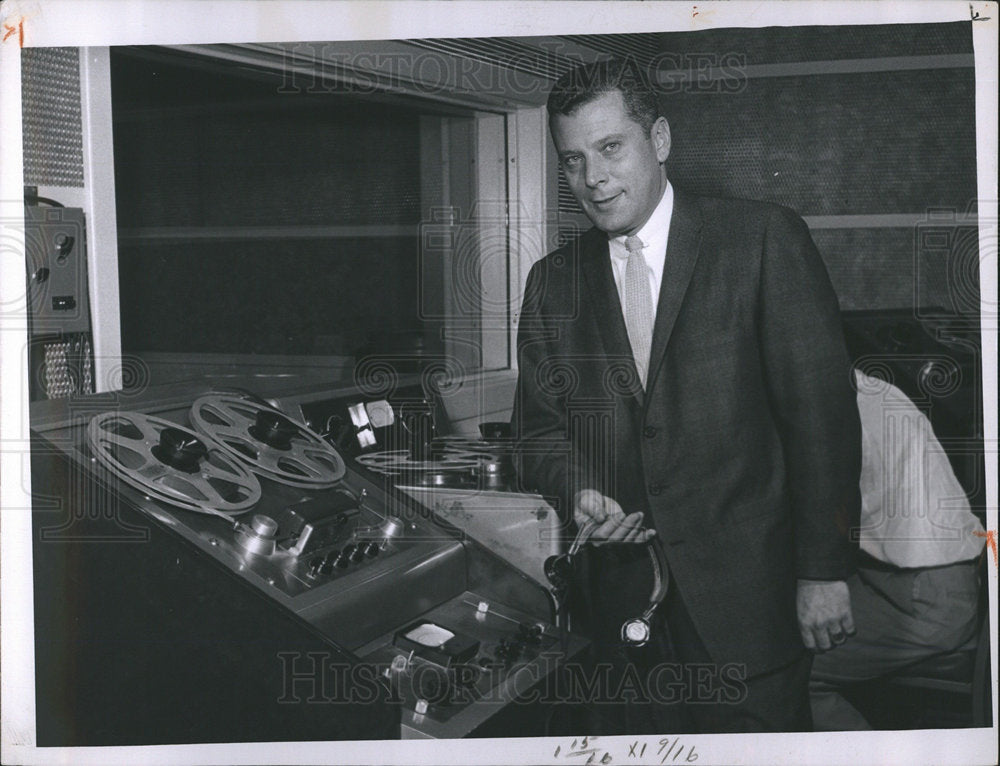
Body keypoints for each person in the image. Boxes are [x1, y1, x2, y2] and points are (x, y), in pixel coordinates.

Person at [511, 58, 862, 733]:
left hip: (749, 612)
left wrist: (823, 572)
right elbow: (538, 433)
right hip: (616, 616)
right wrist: (580, 488)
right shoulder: (551, 283)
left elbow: (822, 421)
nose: (594, 177)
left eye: (611, 147)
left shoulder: (760, 239)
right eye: (573, 159)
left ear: (661, 139)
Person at [809, 370, 985, 730]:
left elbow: (827, 522)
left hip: (922, 597)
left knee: (780, 670)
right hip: (944, 583)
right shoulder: (874, 389)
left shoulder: (825, 404)